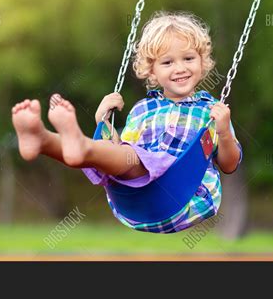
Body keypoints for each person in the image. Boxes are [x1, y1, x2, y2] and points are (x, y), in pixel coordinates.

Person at [12, 12, 242, 233]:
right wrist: (102, 121)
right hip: (136, 196)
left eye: (188, 58)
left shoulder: (212, 112)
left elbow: (229, 164)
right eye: (168, 62)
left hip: (187, 196)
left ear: (202, 62)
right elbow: (122, 151)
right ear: (152, 71)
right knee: (126, 154)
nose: (180, 68)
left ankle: (77, 146)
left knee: (135, 158)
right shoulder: (143, 109)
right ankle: (43, 140)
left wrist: (223, 132)